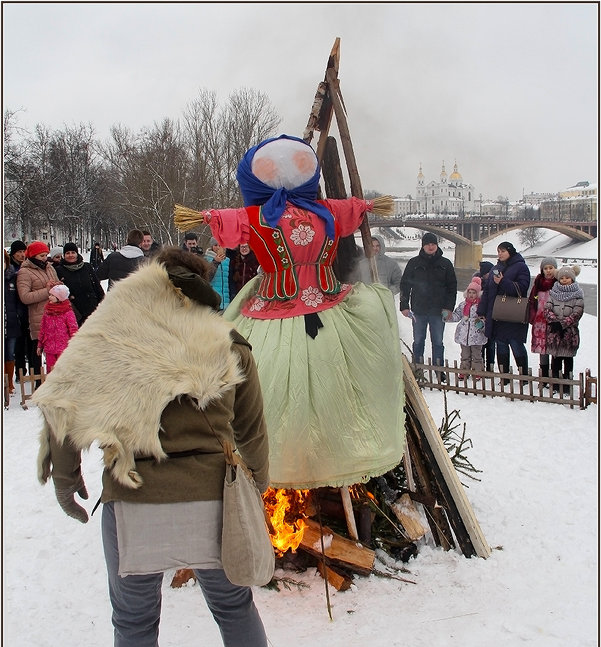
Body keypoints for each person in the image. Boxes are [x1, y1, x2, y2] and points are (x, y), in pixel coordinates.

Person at [30, 246, 286, 647]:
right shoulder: (230, 345)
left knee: (134, 621)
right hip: (213, 497)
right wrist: (253, 488)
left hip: (136, 497)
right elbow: (254, 434)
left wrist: (64, 475)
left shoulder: (113, 343)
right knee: (234, 606)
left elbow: (63, 397)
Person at [175, 134, 405, 490]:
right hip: (327, 304)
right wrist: (370, 205)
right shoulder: (326, 211)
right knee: (338, 382)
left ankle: (271, 461)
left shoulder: (255, 216)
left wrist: (203, 217)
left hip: (271, 306)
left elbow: (221, 220)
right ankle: (326, 452)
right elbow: (356, 208)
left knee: (262, 383)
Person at [399, 232, 457, 379]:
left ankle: (439, 370)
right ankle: (418, 369)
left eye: (433, 244)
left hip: (438, 311)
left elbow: (452, 288)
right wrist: (404, 305)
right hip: (419, 310)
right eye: (427, 244)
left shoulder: (445, 264)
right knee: (418, 341)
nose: (430, 247)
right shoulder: (414, 263)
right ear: (423, 245)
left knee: (438, 341)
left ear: (437, 245)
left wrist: (449, 308)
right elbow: (405, 285)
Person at [477, 241, 531, 383]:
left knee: (516, 344)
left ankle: (523, 376)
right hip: (497, 314)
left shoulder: (521, 267)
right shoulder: (496, 267)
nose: (500, 254)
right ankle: (504, 377)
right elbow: (487, 291)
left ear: (510, 251)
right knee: (500, 344)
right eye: (498, 251)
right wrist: (482, 310)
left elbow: (522, 288)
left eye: (502, 251)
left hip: (513, 314)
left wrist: (503, 281)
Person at [16, 240, 60, 378]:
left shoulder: (49, 268)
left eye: (46, 255)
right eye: (41, 255)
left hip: (55, 315)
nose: (44, 258)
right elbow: (25, 297)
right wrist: (47, 291)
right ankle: (37, 382)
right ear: (33, 256)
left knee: (56, 350)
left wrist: (58, 287)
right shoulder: (25, 272)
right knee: (37, 351)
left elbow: (55, 286)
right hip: (37, 318)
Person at [544, 264, 584, 395]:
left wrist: (563, 324)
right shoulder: (553, 293)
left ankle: (567, 385)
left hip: (569, 333)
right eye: (562, 278)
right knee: (555, 360)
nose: (565, 280)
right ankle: (555, 384)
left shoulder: (577, 295)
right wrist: (554, 321)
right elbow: (547, 309)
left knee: (567, 359)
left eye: (567, 278)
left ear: (572, 279)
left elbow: (577, 312)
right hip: (554, 332)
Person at [55, 242, 105, 324]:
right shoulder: (59, 270)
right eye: (67, 253)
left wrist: (102, 300)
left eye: (73, 252)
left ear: (77, 254)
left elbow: (96, 285)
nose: (71, 255)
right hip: (74, 311)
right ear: (64, 255)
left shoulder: (87, 267)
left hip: (92, 307)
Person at [448, 276, 487, 380]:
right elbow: (457, 316)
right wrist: (448, 316)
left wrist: (482, 323)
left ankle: (477, 372)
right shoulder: (463, 305)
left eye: (474, 293)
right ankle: (464, 371)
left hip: (477, 335)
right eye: (469, 292)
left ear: (478, 294)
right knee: (465, 355)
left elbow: (485, 318)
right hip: (464, 335)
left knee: (477, 355)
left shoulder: (481, 305)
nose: (471, 295)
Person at [528, 256, 557, 385]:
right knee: (542, 349)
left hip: (554, 321)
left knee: (554, 347)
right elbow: (532, 299)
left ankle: (555, 375)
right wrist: (533, 315)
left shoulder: (559, 283)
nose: (548, 271)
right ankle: (544, 377)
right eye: (546, 268)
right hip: (540, 321)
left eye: (551, 268)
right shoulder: (538, 283)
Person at [36, 284, 79, 372]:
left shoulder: (68, 312)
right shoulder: (48, 311)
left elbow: (73, 329)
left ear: (59, 298)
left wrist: (74, 345)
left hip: (63, 348)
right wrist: (40, 345)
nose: (50, 297)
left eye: (52, 295)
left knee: (63, 371)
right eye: (50, 295)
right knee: (51, 371)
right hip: (49, 348)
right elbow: (43, 329)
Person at [4, 242, 28, 393]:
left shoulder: (12, 278)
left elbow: (19, 300)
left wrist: (18, 314)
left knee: (10, 352)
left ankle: (9, 384)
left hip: (12, 321)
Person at [477, 261, 496, 371]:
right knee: (481, 343)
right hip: (480, 316)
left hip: (492, 316)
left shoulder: (494, 283)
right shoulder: (478, 285)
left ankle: (490, 365)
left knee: (491, 343)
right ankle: (481, 365)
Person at [205, 237, 231, 310]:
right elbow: (207, 278)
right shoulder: (206, 259)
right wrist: (215, 262)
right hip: (213, 300)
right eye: (215, 245)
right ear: (212, 246)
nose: (218, 247)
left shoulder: (228, 260)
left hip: (226, 302)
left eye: (220, 245)